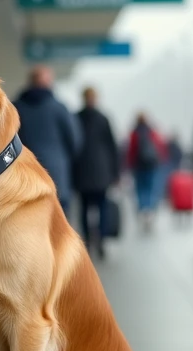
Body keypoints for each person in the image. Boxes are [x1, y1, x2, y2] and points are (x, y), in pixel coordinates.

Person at [14, 65, 82, 216]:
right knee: (60, 221)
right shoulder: (59, 108)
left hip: (26, 173)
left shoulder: (16, 107)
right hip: (57, 174)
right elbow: (75, 141)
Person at [73, 87, 120, 256]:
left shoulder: (76, 118)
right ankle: (101, 240)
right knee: (102, 207)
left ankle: (88, 240)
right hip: (102, 172)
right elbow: (112, 147)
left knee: (85, 208)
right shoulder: (103, 119)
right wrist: (115, 173)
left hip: (83, 172)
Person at [127, 113, 167, 232]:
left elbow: (131, 151)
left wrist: (130, 164)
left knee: (140, 189)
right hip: (152, 165)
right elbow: (160, 148)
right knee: (151, 188)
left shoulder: (134, 133)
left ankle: (143, 209)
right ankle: (149, 210)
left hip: (138, 166)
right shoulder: (153, 132)